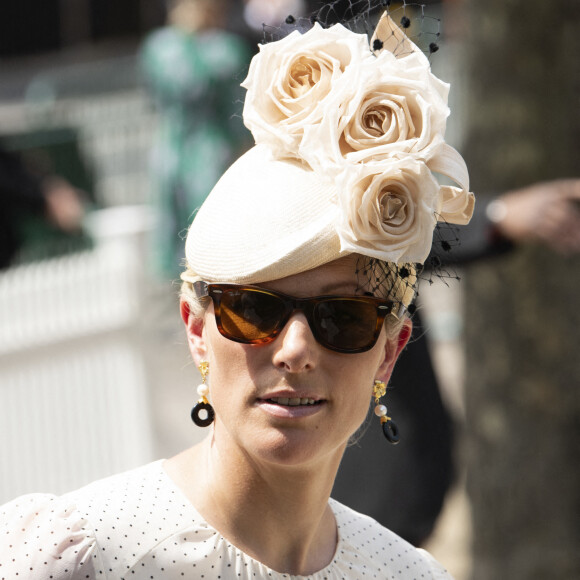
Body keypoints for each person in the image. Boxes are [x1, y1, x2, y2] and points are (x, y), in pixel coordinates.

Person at [0, 6, 475, 578]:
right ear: (197, 329)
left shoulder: (409, 575)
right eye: (253, 310)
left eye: (344, 318)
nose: (296, 349)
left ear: (390, 352)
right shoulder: (76, 554)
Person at [140, 0, 253, 278]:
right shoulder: (226, 50)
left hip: (168, 149)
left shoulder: (156, 48)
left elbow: (153, 100)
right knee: (214, 235)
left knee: (174, 236)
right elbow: (239, 116)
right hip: (212, 152)